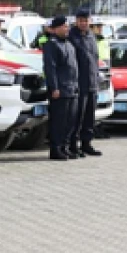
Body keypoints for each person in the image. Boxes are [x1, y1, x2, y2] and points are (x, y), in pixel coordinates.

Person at [42, 16, 79, 161]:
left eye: (67, 26)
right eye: (64, 26)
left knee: (70, 121)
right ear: (56, 28)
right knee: (59, 122)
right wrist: (54, 87)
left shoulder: (69, 45)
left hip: (72, 88)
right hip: (60, 90)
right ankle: (56, 149)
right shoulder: (52, 44)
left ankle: (65, 147)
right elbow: (50, 68)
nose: (67, 29)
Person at [67, 9, 102, 157]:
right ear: (76, 21)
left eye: (86, 21)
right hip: (79, 83)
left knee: (89, 117)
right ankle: (73, 145)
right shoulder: (71, 37)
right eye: (81, 21)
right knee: (77, 117)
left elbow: (94, 59)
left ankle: (87, 144)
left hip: (92, 82)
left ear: (90, 21)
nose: (83, 23)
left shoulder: (91, 36)